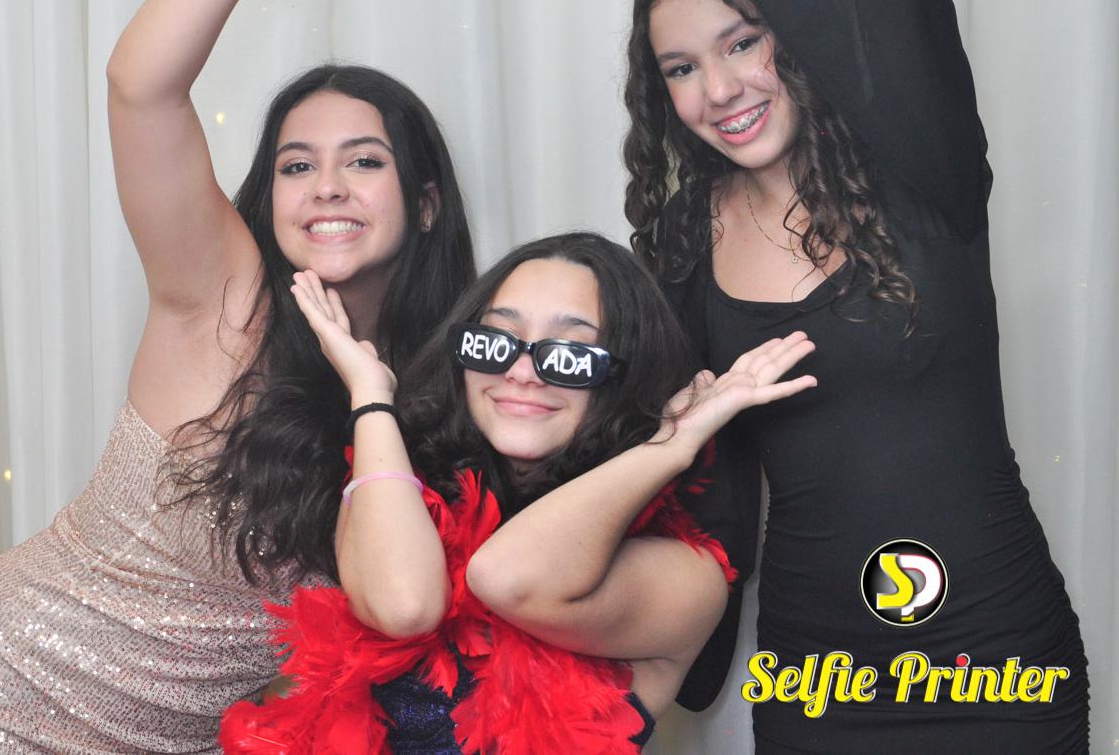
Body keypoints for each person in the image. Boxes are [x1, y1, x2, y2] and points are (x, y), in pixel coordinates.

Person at [434, 0, 1089, 750]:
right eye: (681, 69)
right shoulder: (678, 248)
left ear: (797, 30)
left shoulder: (920, 169)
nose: (720, 89)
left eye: (741, 43)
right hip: (817, 676)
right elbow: (638, 452)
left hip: (1000, 660)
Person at [0, 0, 475, 753]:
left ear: (427, 202)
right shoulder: (225, 295)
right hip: (22, 694)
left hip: (203, 737)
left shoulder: (443, 387)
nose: (327, 187)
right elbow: (140, 87)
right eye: (298, 166)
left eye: (364, 161)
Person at [221, 233, 816, 753]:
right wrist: (371, 395)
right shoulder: (395, 493)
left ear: (626, 375)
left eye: (571, 354)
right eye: (495, 341)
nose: (522, 372)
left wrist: (670, 446)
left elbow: (506, 578)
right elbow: (405, 606)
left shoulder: (687, 574)